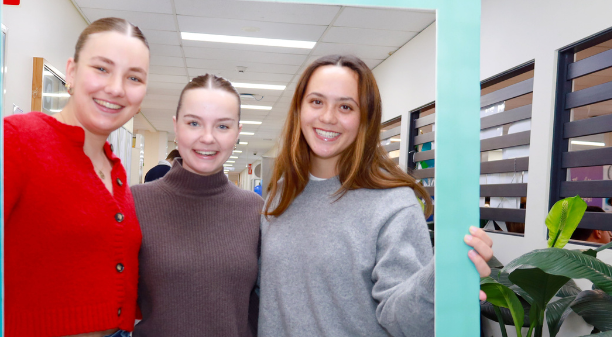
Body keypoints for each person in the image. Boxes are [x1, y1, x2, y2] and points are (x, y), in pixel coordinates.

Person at [0, 18, 150, 337]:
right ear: (71, 72)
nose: (116, 88)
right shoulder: (17, 141)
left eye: (133, 77)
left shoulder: (115, 169)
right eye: (102, 68)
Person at [259, 55, 494, 337]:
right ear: (299, 109)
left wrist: (440, 279)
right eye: (317, 102)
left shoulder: (393, 204)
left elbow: (406, 324)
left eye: (345, 106)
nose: (328, 117)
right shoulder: (280, 195)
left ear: (365, 119)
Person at [131, 74, 263, 337]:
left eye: (222, 126)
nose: (207, 138)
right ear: (176, 126)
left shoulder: (255, 210)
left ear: (238, 132)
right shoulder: (134, 203)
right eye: (194, 123)